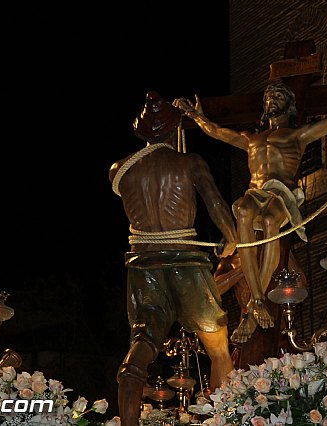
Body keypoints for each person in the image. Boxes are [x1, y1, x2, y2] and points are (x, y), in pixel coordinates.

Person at [174, 76, 327, 343]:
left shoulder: (297, 135)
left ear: (290, 106)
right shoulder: (251, 139)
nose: (272, 100)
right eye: (269, 97)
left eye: (279, 97)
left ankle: (255, 305)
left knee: (270, 220)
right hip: (254, 192)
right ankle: (257, 300)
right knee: (243, 211)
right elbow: (219, 132)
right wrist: (197, 117)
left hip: (280, 192)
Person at [110, 91, 237, 426]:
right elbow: (216, 206)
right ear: (173, 130)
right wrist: (232, 238)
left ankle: (128, 421)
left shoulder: (118, 171)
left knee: (143, 339)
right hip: (185, 262)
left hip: (142, 264)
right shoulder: (189, 162)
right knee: (218, 344)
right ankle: (223, 418)